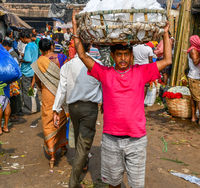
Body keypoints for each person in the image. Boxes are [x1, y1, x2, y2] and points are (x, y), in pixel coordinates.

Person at [72, 14, 172, 188]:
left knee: (137, 185)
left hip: (137, 139)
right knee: (113, 183)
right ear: (113, 55)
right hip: (111, 139)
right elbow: (81, 55)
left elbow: (168, 60)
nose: (123, 59)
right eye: (119, 55)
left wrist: (165, 33)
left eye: (126, 54)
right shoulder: (105, 73)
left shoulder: (141, 72)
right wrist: (75, 29)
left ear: (132, 56)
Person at [53, 43, 102, 188]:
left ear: (74, 48)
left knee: (80, 138)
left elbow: (61, 89)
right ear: (89, 47)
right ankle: (73, 182)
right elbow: (103, 86)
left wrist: (56, 109)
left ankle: (84, 162)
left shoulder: (67, 66)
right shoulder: (97, 64)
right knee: (84, 142)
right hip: (89, 109)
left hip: (74, 108)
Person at [31, 39, 68, 169]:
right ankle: (63, 146)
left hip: (47, 95)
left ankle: (52, 155)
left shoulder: (38, 63)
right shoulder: (62, 57)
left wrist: (44, 88)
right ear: (52, 46)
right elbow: (67, 75)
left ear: (40, 50)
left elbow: (37, 81)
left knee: (48, 121)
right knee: (62, 120)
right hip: (61, 94)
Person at [2, 39, 22, 121]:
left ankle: (13, 114)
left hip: (12, 80)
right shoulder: (11, 53)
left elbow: (15, 67)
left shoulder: (10, 54)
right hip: (12, 79)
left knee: (12, 98)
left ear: (6, 46)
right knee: (11, 98)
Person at [20, 31, 39, 114]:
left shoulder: (28, 46)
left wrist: (21, 59)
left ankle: (29, 108)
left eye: (21, 39)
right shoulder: (34, 45)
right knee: (33, 90)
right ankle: (36, 106)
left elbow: (28, 59)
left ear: (24, 38)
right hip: (33, 71)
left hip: (27, 72)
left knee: (26, 91)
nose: (21, 41)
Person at [187, 35, 200, 123]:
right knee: (198, 99)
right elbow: (195, 62)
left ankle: (193, 117)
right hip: (195, 77)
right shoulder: (193, 50)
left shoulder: (195, 49)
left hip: (195, 76)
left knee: (194, 98)